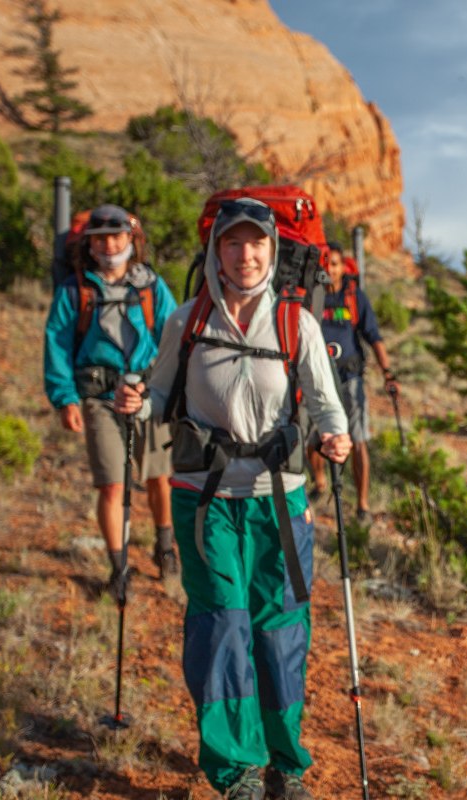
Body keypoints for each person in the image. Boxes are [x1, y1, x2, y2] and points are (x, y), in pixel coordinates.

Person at [116, 198, 352, 800]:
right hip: (206, 496)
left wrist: (336, 433)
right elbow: (159, 393)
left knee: (280, 628)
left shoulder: (296, 322)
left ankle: (285, 763)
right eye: (232, 244)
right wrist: (133, 404)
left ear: (272, 251)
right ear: (215, 250)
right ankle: (237, 768)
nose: (244, 256)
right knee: (221, 621)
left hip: (280, 498)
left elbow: (324, 400)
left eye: (256, 244)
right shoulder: (187, 321)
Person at [43, 203, 178, 598]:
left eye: (116, 236)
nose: (108, 244)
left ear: (131, 240)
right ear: (89, 244)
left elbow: (172, 336)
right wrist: (65, 398)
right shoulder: (77, 290)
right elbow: (57, 342)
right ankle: (119, 569)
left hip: (146, 393)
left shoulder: (151, 286)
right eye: (100, 238)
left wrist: (166, 386)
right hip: (100, 397)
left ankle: (164, 546)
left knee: (159, 478)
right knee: (112, 485)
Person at [306, 241, 398, 523]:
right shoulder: (312, 296)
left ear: (344, 267)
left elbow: (374, 336)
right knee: (311, 438)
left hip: (350, 378)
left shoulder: (354, 296)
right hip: (317, 380)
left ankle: (362, 504)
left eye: (334, 264)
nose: (329, 269)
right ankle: (320, 484)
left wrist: (388, 373)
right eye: (325, 263)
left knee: (358, 440)